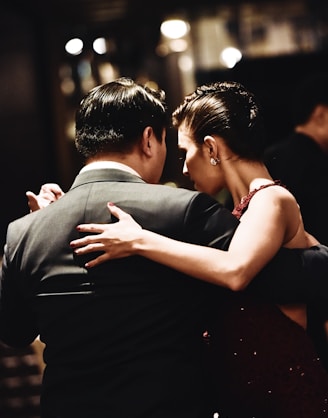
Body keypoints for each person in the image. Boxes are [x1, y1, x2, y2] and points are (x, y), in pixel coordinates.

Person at [2, 77, 308, 418]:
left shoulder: (23, 231)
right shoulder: (185, 210)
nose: (179, 165)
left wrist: (47, 225)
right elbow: (276, 279)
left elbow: (14, 332)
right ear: (149, 139)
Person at [264, 72, 328, 369]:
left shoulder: (270, 157)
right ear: (321, 113)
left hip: (274, 308)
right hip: (317, 303)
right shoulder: (319, 165)